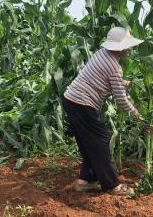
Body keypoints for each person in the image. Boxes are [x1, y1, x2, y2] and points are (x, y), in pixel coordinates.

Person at [62, 27, 143, 195]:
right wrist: (136, 115)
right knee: (101, 140)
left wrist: (122, 83)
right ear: (120, 47)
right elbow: (121, 100)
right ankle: (113, 185)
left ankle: (86, 180)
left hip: (71, 99)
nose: (129, 48)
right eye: (127, 45)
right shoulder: (115, 68)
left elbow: (101, 77)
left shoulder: (101, 54)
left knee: (89, 143)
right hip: (82, 103)